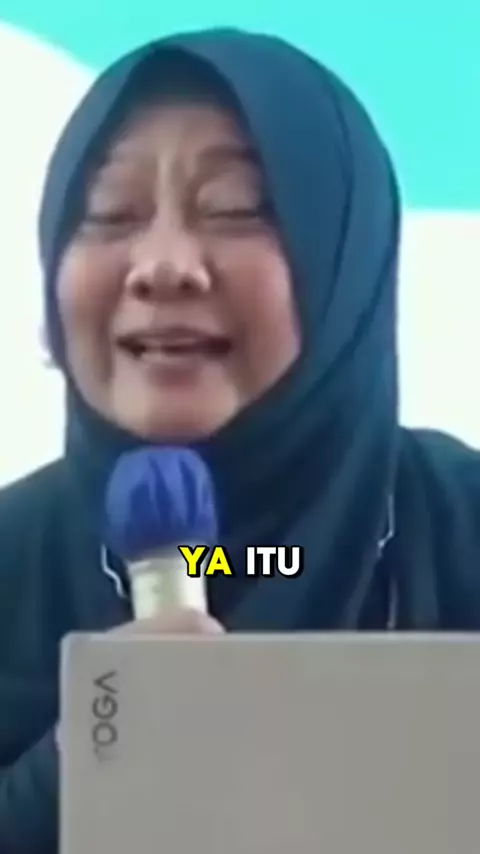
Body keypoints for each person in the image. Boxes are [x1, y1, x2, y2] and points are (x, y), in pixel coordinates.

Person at [0, 26, 479, 853]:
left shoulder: (461, 528)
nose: (163, 266)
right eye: (110, 213)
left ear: (344, 262)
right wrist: (73, 769)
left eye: (234, 208)